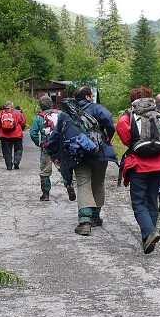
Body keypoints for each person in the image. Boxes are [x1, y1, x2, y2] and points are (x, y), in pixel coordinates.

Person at [46, 87, 116, 236]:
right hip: (99, 152)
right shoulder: (97, 108)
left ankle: (85, 221)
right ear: (89, 96)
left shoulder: (66, 114)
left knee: (83, 183)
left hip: (78, 155)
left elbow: (57, 134)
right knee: (98, 182)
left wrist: (51, 150)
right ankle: (95, 217)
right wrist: (107, 138)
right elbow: (109, 122)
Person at [116, 86, 160, 254]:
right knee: (152, 200)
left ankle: (150, 232)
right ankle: (148, 237)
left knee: (138, 202)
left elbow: (125, 137)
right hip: (159, 164)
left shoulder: (127, 117)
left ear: (133, 100)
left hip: (138, 165)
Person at [29, 95, 60, 201]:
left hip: (47, 146)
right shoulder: (60, 114)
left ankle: (46, 194)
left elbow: (33, 133)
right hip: (60, 147)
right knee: (63, 168)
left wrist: (39, 143)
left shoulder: (39, 117)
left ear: (40, 106)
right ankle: (69, 187)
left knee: (45, 171)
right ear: (51, 103)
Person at [0, 101, 26, 170]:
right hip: (17, 135)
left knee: (6, 151)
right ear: (12, 107)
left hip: (4, 136)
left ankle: (9, 166)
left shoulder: (1, 113)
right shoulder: (17, 113)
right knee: (18, 149)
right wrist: (21, 129)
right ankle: (16, 161)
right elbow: (23, 122)